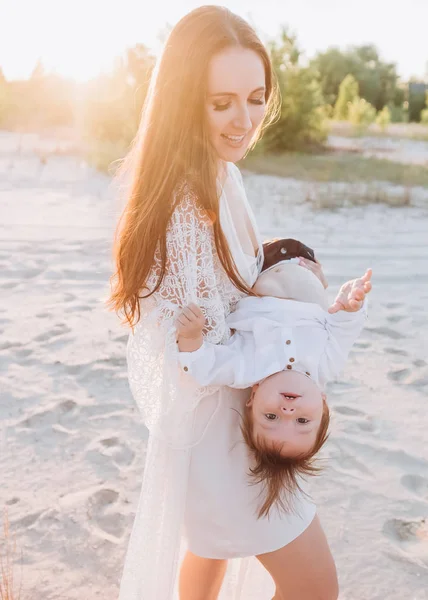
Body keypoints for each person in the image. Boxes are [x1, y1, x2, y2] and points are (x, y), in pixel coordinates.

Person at [109, 6, 339, 599]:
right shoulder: (187, 201)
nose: (246, 120)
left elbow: (224, 288)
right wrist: (289, 304)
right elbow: (194, 338)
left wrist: (279, 270)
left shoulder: (216, 173)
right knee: (316, 588)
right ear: (187, 101)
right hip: (226, 432)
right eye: (222, 103)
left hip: (232, 420)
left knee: (205, 565)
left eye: (256, 97)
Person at [175, 248, 372, 517]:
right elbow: (343, 329)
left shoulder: (246, 369)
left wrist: (191, 335)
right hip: (303, 273)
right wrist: (350, 305)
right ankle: (317, 277)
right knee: (312, 274)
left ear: (252, 398)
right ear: (323, 404)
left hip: (260, 273)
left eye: (270, 416)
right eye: (303, 422)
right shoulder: (326, 366)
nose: (287, 412)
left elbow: (203, 366)